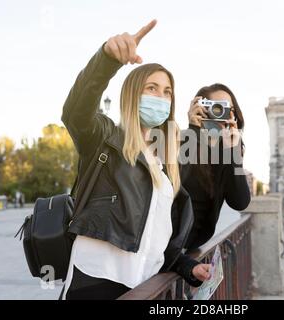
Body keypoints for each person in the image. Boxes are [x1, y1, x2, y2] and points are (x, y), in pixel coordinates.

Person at [59, 20, 211, 300]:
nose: (161, 97)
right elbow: (75, 112)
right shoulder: (105, 139)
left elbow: (157, 241)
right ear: (132, 93)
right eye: (151, 88)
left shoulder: (165, 166)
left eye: (167, 92)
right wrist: (106, 60)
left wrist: (188, 267)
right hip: (98, 282)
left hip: (145, 287)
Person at [180, 84, 251, 251]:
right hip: (169, 247)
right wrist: (194, 130)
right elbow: (182, 189)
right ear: (201, 109)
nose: (223, 113)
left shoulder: (228, 149)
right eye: (216, 107)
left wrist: (232, 152)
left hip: (192, 249)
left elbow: (240, 202)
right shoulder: (181, 140)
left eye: (228, 108)